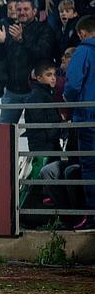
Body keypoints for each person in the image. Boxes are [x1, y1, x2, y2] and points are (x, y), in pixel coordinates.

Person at [0, 0, 56, 124]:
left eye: (26, 9)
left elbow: (44, 53)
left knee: (35, 133)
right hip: (11, 92)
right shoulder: (10, 30)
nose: (22, 12)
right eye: (19, 9)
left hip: (34, 91)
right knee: (4, 135)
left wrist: (22, 40)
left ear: (34, 11)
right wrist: (1, 42)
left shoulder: (44, 29)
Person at [64, 15, 95, 210]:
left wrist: (69, 98)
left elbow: (73, 84)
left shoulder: (82, 51)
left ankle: (92, 215)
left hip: (88, 118)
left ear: (82, 33)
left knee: (91, 167)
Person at [24, 61, 62, 152]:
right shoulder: (36, 96)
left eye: (54, 75)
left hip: (51, 141)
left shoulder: (47, 93)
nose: (53, 78)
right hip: (42, 144)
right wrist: (59, 118)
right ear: (39, 78)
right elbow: (39, 120)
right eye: (48, 75)